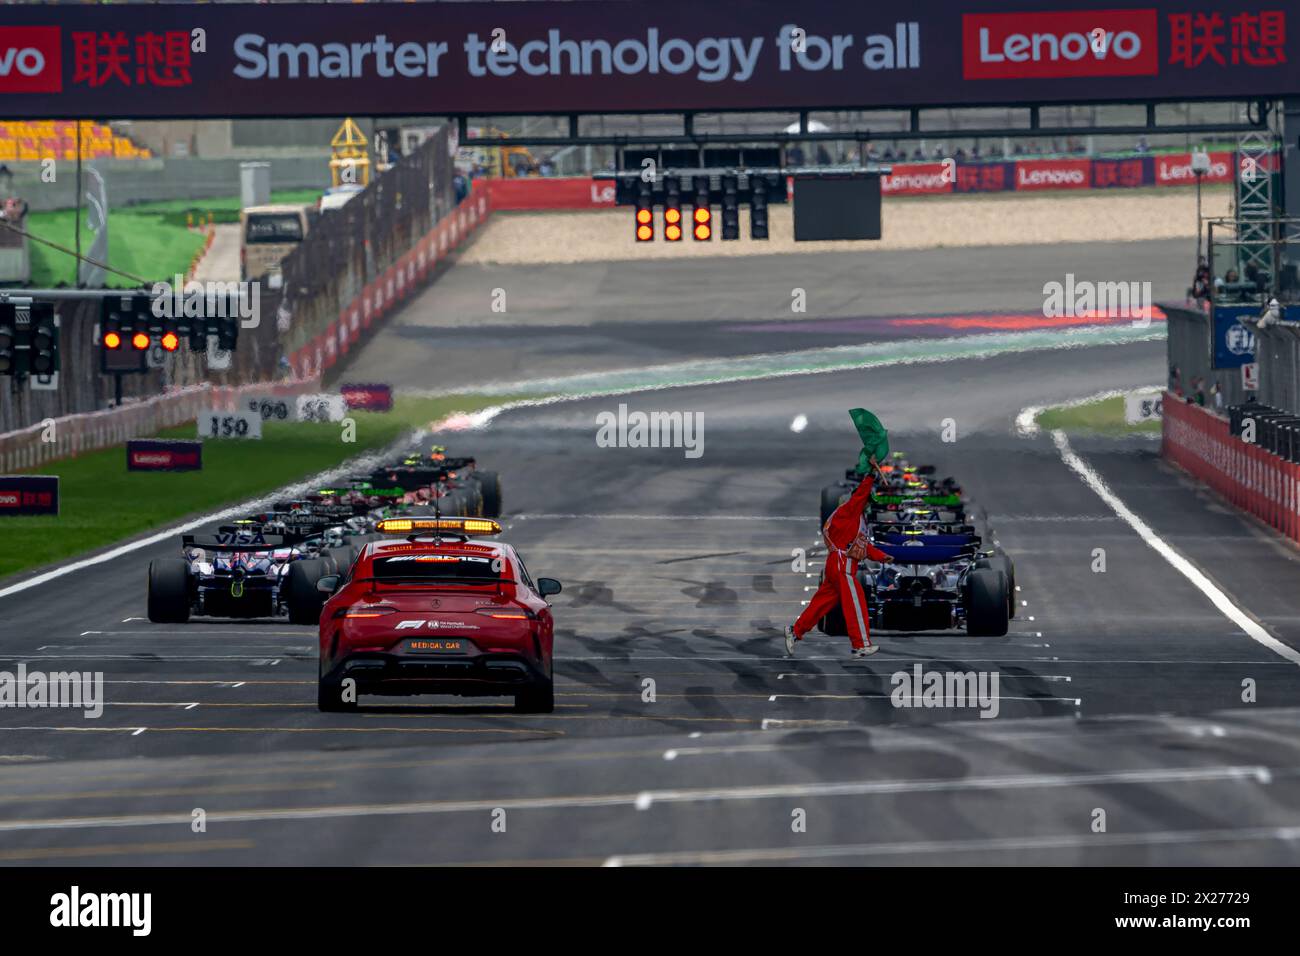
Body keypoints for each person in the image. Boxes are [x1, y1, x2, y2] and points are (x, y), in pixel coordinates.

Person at [785, 458, 894, 659]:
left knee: (820, 605)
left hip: (839, 564)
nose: (868, 506)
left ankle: (795, 631)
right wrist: (871, 475)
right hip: (843, 564)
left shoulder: (855, 519)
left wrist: (882, 556)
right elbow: (860, 495)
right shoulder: (848, 512)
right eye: (867, 502)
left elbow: (863, 547)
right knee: (856, 601)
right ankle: (860, 645)